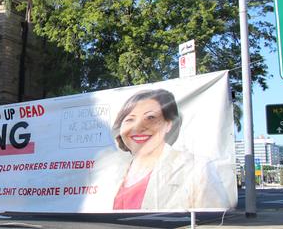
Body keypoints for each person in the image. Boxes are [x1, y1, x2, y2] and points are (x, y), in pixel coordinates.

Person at [96, 89, 232, 211]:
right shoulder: (111, 173)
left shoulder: (196, 168)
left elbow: (213, 221)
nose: (138, 127)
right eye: (130, 119)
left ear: (168, 124)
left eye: (150, 118)